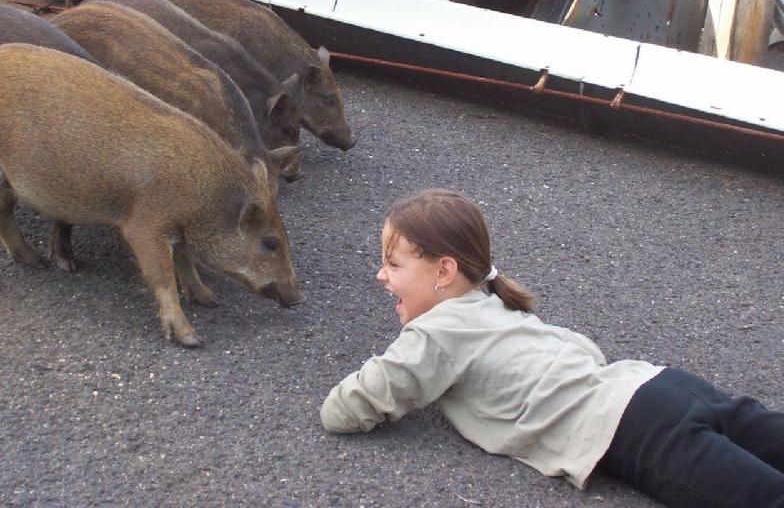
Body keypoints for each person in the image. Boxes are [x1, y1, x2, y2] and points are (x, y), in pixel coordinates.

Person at [320, 188, 784, 508]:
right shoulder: (495, 303)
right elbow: (585, 352)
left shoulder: (433, 335)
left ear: (444, 271)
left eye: (393, 264)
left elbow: (344, 410)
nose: (381, 275)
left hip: (633, 430)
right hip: (658, 383)